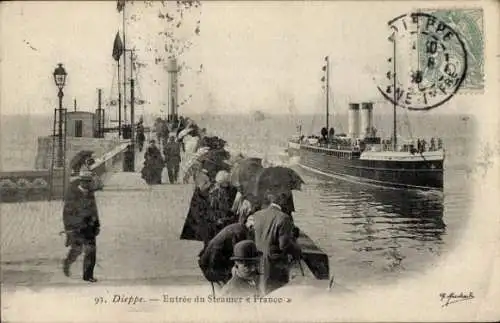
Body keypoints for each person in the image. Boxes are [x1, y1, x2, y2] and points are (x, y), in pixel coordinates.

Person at [253, 190, 302, 296]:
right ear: (283, 201)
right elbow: (284, 245)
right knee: (275, 293)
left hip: (257, 259)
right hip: (274, 263)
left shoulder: (257, 214)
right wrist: (297, 250)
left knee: (260, 290)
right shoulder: (284, 218)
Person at [62, 170, 101, 283]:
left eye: (89, 182)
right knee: (77, 249)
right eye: (85, 182)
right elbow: (67, 213)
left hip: (89, 226)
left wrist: (97, 225)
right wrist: (68, 228)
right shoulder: (72, 194)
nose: (88, 184)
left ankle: (88, 275)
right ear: (81, 181)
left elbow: (94, 210)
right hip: (77, 227)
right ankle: (67, 262)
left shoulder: (90, 193)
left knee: (91, 251)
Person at [198, 222, 252, 286]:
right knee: (241, 272)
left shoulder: (238, 227)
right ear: (251, 228)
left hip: (207, 264)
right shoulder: (240, 232)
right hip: (211, 269)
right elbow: (238, 255)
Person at [207, 171, 239, 239]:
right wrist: (216, 220)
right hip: (219, 222)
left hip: (226, 219)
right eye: (226, 183)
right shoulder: (214, 193)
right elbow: (211, 209)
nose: (228, 185)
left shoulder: (229, 190)